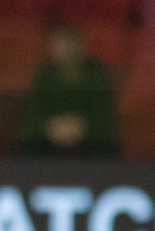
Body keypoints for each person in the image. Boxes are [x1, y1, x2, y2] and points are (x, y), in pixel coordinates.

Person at [23, 26, 120, 156]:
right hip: (50, 139)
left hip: (91, 142)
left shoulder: (98, 75)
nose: (67, 50)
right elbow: (35, 114)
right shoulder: (44, 75)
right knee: (29, 144)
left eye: (71, 45)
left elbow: (104, 116)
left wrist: (81, 128)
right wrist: (50, 128)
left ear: (82, 46)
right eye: (61, 45)